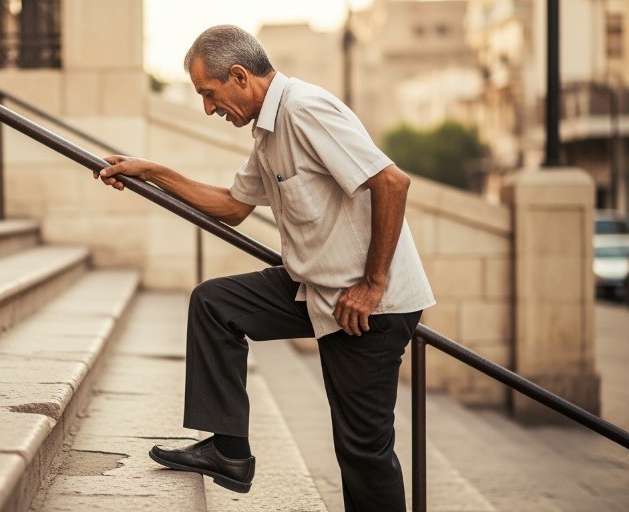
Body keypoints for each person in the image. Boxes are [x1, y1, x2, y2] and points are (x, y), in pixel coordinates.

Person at [95, 25, 435, 511]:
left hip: (368, 307)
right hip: (317, 289)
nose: (208, 109)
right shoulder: (268, 130)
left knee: (363, 450)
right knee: (216, 304)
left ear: (238, 76)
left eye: (209, 95)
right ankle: (229, 451)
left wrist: (373, 284)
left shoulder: (304, 110)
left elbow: (392, 183)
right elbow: (233, 205)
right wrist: (152, 172)